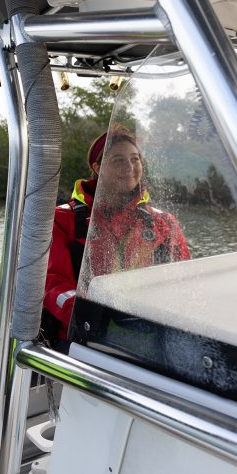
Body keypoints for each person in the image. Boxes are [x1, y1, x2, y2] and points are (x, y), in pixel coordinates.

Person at [43, 127, 191, 348]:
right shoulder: (63, 219)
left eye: (135, 159)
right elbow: (51, 281)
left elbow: (185, 279)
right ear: (97, 167)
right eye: (118, 160)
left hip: (153, 337)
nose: (130, 167)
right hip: (83, 339)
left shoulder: (164, 222)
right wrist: (89, 316)